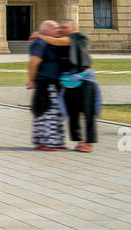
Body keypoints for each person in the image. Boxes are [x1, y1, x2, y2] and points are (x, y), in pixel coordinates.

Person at [33, 20, 98, 152]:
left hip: (85, 79)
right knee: (72, 111)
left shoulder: (79, 37)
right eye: (60, 27)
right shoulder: (62, 39)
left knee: (87, 111)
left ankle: (89, 142)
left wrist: (40, 35)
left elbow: (57, 42)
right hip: (69, 81)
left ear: (73, 28)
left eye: (65, 27)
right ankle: (80, 140)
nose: (62, 29)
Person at [26, 19, 67, 150]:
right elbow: (33, 63)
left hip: (54, 82)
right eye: (55, 28)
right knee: (47, 112)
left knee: (55, 112)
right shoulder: (40, 43)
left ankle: (54, 141)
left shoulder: (50, 41)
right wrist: (32, 80)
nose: (58, 31)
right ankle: (46, 142)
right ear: (47, 30)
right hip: (46, 82)